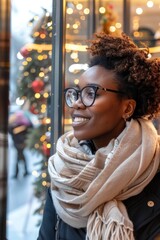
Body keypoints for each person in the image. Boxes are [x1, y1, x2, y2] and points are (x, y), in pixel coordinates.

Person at [37, 32, 160, 240]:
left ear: (127, 107)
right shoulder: (64, 174)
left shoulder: (155, 170)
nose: (77, 103)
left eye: (91, 92)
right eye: (76, 93)